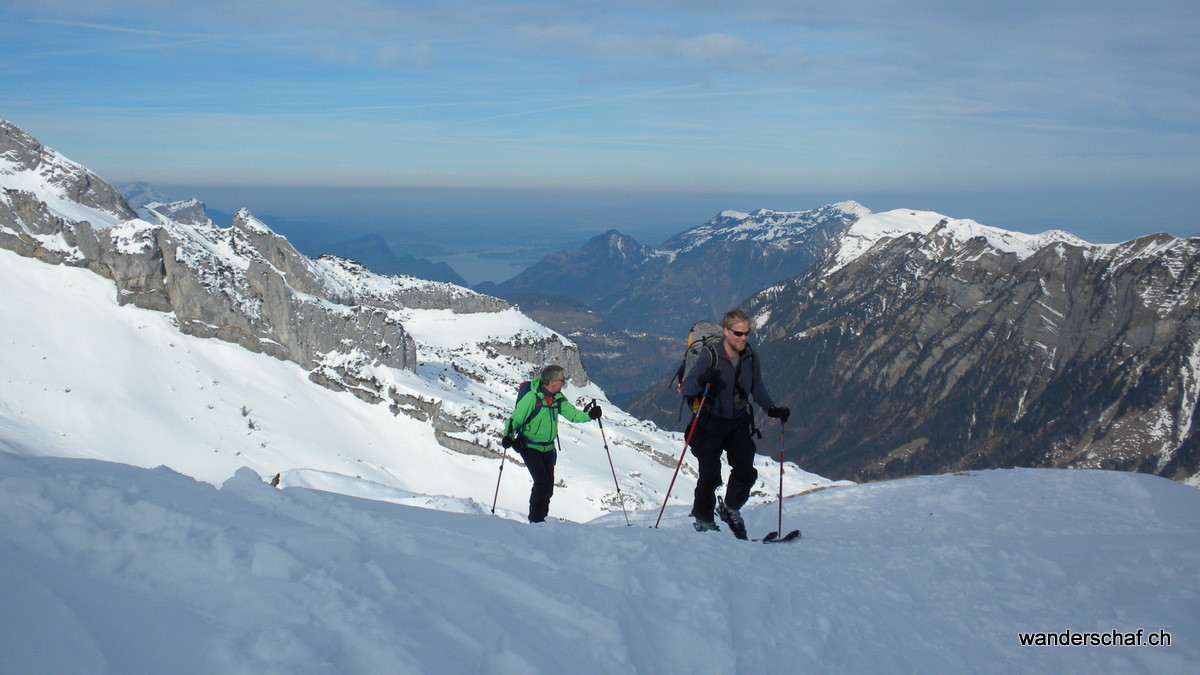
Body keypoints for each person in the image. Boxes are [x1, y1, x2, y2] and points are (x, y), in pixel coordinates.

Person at [679, 309, 790, 535]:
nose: (743, 338)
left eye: (747, 333)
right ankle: (703, 518)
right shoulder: (710, 356)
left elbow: (756, 386)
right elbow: (687, 388)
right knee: (710, 475)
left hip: (738, 421)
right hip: (709, 422)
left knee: (746, 470)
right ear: (726, 332)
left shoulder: (750, 356)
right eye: (738, 333)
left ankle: (730, 509)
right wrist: (702, 379)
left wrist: (771, 409)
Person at [502, 365, 602, 523]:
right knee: (541, 483)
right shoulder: (532, 398)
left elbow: (573, 415)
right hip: (530, 447)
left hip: (548, 448)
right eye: (562, 379)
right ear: (553, 382)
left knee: (547, 488)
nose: (565, 382)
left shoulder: (558, 399)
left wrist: (590, 415)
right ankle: (536, 521)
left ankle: (542, 520)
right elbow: (516, 419)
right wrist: (507, 436)